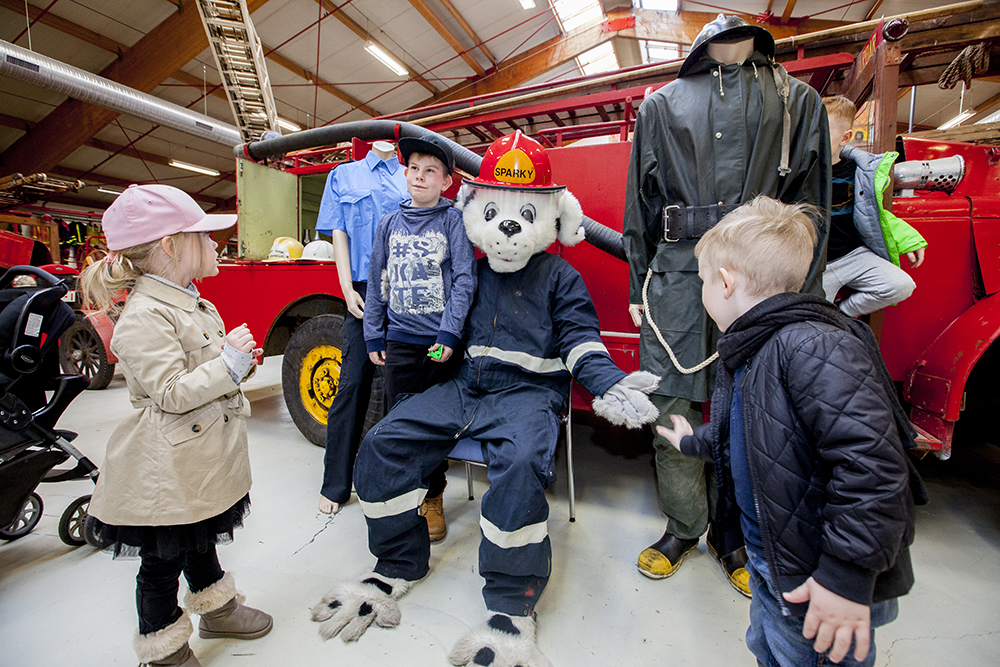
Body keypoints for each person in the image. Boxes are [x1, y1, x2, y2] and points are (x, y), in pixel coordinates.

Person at [657, 196, 925, 667]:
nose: (702, 294)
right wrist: (691, 441)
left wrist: (843, 579)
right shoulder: (758, 345)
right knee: (768, 647)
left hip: (821, 576)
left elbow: (875, 470)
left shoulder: (813, 347)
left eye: (702, 282)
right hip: (778, 558)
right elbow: (750, 433)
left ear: (725, 282)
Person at [623, 13, 831, 595]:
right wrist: (641, 284)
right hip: (680, 281)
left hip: (763, 279)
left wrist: (800, 292)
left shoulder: (799, 100)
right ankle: (684, 526)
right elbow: (640, 204)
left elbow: (814, 208)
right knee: (671, 402)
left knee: (756, 408)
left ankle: (733, 535)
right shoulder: (661, 104)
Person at [82, 184, 273, 667]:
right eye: (205, 238)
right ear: (171, 245)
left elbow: (202, 371)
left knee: (201, 536)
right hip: (167, 467)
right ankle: (163, 647)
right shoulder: (144, 316)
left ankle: (217, 609)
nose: (215, 246)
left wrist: (237, 363)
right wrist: (226, 367)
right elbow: (169, 391)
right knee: (163, 561)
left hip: (200, 457)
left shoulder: (192, 301)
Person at [362, 134, 477, 542]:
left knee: (432, 423)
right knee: (398, 418)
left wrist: (449, 332)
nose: (421, 177)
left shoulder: (452, 221)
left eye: (431, 171)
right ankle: (401, 493)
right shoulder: (389, 223)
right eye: (414, 169)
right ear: (405, 173)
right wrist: (373, 333)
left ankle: (432, 496)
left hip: (437, 342)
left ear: (447, 181)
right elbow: (378, 281)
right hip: (400, 340)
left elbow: (465, 279)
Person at [315, 140, 408, 515]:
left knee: (399, 387)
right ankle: (336, 484)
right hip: (362, 290)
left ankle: (392, 481)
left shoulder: (411, 176)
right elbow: (340, 232)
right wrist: (346, 287)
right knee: (352, 383)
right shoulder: (343, 175)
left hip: (406, 290)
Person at [822, 96, 928, 317]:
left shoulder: (859, 172)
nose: (815, 138)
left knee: (900, 285)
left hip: (852, 255)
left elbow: (872, 211)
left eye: (824, 131)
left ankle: (842, 314)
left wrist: (907, 239)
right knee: (813, 317)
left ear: (845, 137)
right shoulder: (802, 170)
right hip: (817, 265)